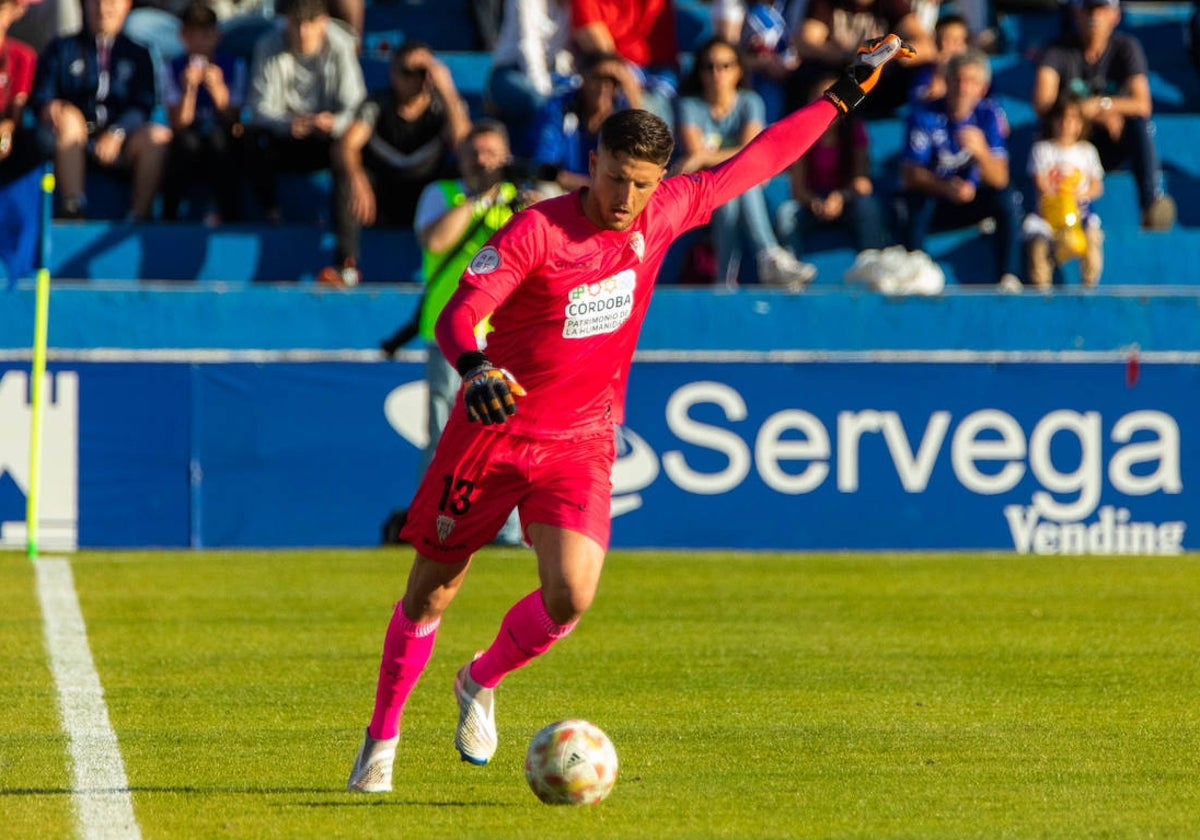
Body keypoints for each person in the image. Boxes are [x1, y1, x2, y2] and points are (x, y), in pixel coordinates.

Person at [345, 34, 915, 794]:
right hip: (493, 432)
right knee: (430, 593)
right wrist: (476, 365)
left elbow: (760, 159)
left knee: (572, 594)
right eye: (615, 179)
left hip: (580, 439)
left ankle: (479, 680)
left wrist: (843, 95)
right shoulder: (539, 230)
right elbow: (460, 311)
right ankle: (380, 744)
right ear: (593, 161)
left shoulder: (665, 212)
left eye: (643, 184)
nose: (626, 199)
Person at [381, 120, 529, 546]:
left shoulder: (519, 201)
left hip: (506, 331)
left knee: (508, 433)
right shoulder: (443, 194)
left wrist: (521, 199)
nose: (481, 160)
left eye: (490, 152)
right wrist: (482, 197)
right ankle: (431, 521)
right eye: (474, 152)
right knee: (445, 432)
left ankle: (507, 530)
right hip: (453, 333)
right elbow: (436, 241)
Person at [319, 41, 471, 286]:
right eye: (405, 72)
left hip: (424, 195)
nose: (414, 79)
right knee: (346, 176)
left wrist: (446, 89)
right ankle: (346, 266)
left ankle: (459, 268)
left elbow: (465, 147)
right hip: (381, 197)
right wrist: (356, 177)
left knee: (462, 180)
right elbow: (346, 145)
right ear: (393, 74)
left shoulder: (444, 108)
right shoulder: (377, 105)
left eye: (422, 72)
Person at [674, 36, 816, 288]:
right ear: (700, 71)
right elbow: (714, 156)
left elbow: (751, 154)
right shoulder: (689, 106)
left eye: (725, 65)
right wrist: (715, 159)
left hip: (735, 183)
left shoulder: (751, 102)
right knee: (739, 183)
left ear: (738, 70)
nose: (717, 73)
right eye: (710, 66)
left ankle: (724, 279)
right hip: (706, 186)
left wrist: (706, 156)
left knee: (739, 184)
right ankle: (768, 255)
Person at [1032, 0, 1175, 231]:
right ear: (1075, 13)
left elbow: (1142, 104)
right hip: (1072, 142)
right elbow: (1042, 103)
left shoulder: (1126, 47)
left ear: (1116, 15)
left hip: (1112, 142)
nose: (1094, 16)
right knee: (1055, 128)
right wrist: (1088, 113)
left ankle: (1151, 202)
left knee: (1140, 125)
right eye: (1088, 8)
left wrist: (1104, 105)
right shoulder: (1056, 50)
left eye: (1101, 8)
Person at [31, 0, 171, 219]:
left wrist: (118, 131)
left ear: (127, 6)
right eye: (96, 3)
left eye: (112, 2)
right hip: (75, 140)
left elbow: (143, 105)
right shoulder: (61, 49)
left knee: (157, 138)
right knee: (68, 119)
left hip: (124, 141)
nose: (104, 9)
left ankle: (137, 217)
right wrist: (52, 108)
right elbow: (42, 95)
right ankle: (73, 207)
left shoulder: (138, 54)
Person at [897, 49, 1021, 287]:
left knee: (1008, 198)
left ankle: (1009, 277)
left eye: (972, 82)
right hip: (936, 200)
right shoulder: (924, 114)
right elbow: (910, 173)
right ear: (947, 82)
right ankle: (914, 275)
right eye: (958, 80)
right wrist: (944, 187)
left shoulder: (988, 116)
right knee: (915, 200)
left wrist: (982, 152)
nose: (963, 88)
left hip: (972, 198)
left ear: (982, 89)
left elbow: (1001, 178)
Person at [243, 0, 365, 224]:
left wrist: (334, 123)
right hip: (284, 136)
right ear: (286, 22)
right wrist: (286, 124)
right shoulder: (267, 44)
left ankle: (346, 252)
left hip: (327, 138)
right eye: (296, 23)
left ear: (324, 22)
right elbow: (257, 107)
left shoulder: (340, 45)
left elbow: (357, 107)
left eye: (309, 23)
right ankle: (270, 215)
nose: (302, 31)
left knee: (348, 149)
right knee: (246, 141)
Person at [776, 73, 887, 261]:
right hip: (812, 202)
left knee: (868, 206)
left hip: (847, 199)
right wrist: (815, 203)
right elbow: (798, 190)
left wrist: (840, 197)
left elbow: (861, 181)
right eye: (820, 99)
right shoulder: (802, 134)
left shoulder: (855, 131)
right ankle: (790, 269)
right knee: (786, 214)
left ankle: (873, 262)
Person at [160, 0, 246, 224]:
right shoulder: (172, 69)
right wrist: (188, 90)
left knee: (221, 144)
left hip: (220, 140)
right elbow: (178, 124)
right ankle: (169, 216)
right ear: (183, 36)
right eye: (193, 35)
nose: (199, 42)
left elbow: (234, 123)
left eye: (205, 35)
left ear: (216, 36)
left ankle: (232, 218)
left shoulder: (233, 65)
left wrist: (218, 91)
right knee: (186, 144)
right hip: (189, 140)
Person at [788, 0, 934, 116]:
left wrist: (888, 54)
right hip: (840, 77)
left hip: (880, 82)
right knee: (823, 88)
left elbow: (926, 46)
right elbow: (805, 42)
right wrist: (848, 54)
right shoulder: (828, 3)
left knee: (928, 75)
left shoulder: (891, 4)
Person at [1023, 95, 1104, 288]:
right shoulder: (1042, 150)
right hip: (1048, 214)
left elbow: (1097, 185)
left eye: (1073, 120)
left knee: (1092, 240)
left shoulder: (1087, 151)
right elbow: (1040, 180)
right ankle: (1041, 288)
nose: (1066, 125)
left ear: (1081, 124)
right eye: (1062, 118)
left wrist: (1079, 195)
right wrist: (1058, 194)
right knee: (1038, 246)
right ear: (1052, 121)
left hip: (1080, 214)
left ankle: (1089, 285)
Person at [531, 50, 641, 192]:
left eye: (612, 81)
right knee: (544, 189)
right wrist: (594, 186)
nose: (604, 87)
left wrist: (629, 86)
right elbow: (545, 166)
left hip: (608, 195)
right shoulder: (560, 107)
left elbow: (637, 165)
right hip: (564, 192)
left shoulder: (624, 116)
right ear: (583, 78)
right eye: (598, 78)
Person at [570, 0, 680, 130]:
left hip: (660, 68)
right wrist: (627, 81)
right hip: (619, 66)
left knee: (666, 106)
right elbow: (600, 48)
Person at [485, 0, 573, 159]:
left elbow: (565, 51)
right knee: (541, 103)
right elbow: (528, 45)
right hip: (510, 72)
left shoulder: (570, 6)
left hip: (548, 76)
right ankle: (536, 162)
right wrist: (545, 91)